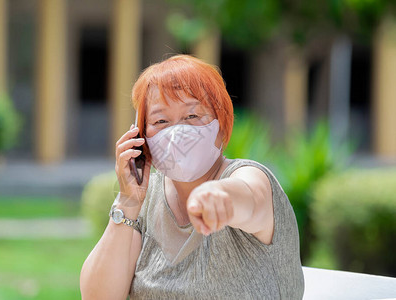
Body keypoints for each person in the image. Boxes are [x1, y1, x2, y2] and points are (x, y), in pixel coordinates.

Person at [80, 55, 304, 299]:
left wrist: (219, 197)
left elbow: (249, 196)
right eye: (161, 120)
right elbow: (97, 296)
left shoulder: (248, 175)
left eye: (192, 116)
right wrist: (127, 201)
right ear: (141, 137)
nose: (177, 131)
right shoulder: (145, 199)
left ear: (221, 126)